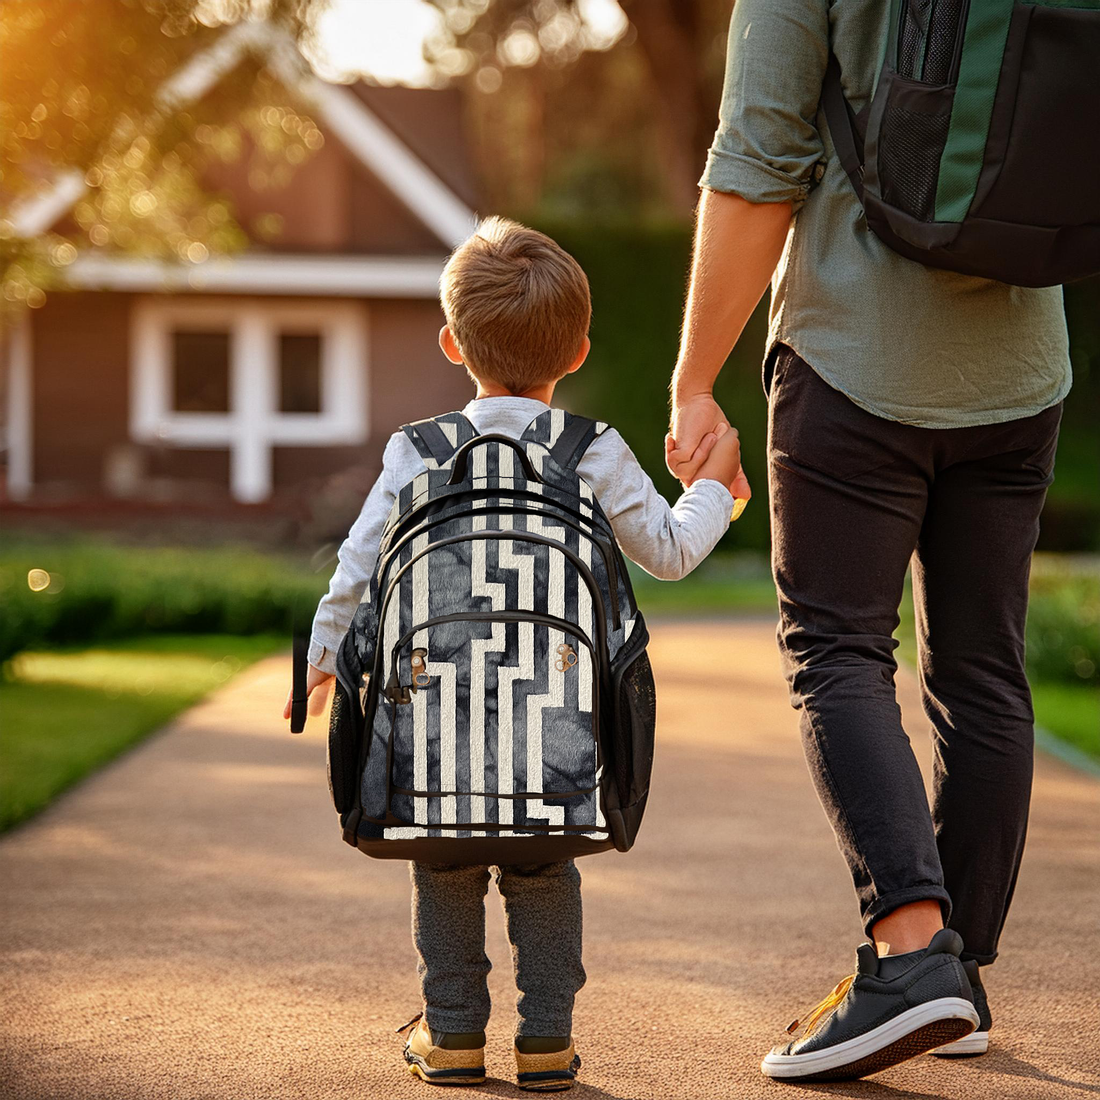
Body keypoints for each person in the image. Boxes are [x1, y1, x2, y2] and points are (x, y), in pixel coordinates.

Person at [665, 0, 1070, 1083]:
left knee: (838, 650)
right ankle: (959, 974)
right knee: (982, 667)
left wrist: (695, 378)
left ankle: (907, 958)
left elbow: (757, 161)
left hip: (853, 362)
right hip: (1021, 368)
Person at [285, 217, 741, 1090]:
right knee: (542, 868)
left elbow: (357, 567)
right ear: (576, 351)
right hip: (554, 719)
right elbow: (670, 552)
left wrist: (320, 657)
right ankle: (548, 1042)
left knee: (445, 866)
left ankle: (452, 1037)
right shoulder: (590, 450)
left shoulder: (414, 452)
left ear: (454, 345)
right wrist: (715, 493)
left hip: (432, 719)